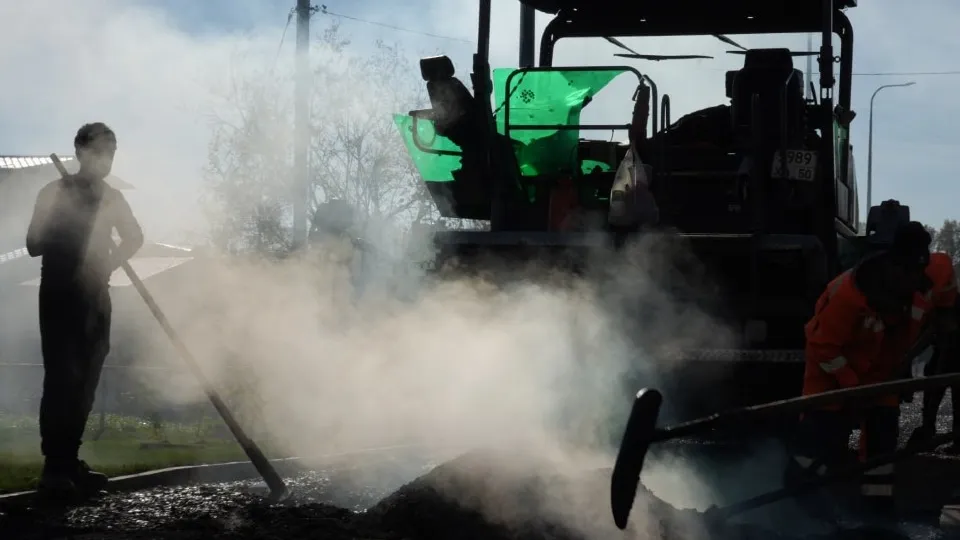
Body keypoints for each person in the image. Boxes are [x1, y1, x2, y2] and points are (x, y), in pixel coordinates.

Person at [25, 122, 144, 498]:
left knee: (87, 380)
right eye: (99, 151)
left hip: (96, 295)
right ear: (79, 152)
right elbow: (32, 244)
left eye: (111, 152)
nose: (106, 158)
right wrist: (65, 222)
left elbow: (135, 237)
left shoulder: (111, 197)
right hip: (60, 294)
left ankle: (69, 460)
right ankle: (54, 467)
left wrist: (109, 263)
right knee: (62, 377)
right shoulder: (54, 192)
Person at [788, 221, 934, 514]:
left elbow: (908, 337)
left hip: (881, 379)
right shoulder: (849, 295)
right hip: (830, 378)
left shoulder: (918, 292)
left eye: (917, 272)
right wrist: (852, 387)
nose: (912, 279)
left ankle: (877, 509)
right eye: (907, 271)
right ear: (893, 265)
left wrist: (896, 377)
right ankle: (799, 501)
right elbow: (823, 346)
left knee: (882, 448)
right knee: (819, 442)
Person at [907, 252, 960, 450]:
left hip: (954, 354)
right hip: (943, 352)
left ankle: (954, 438)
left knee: (956, 397)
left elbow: (938, 332)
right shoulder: (936, 303)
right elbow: (930, 331)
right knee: (932, 390)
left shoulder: (952, 304)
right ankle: (928, 430)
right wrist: (907, 356)